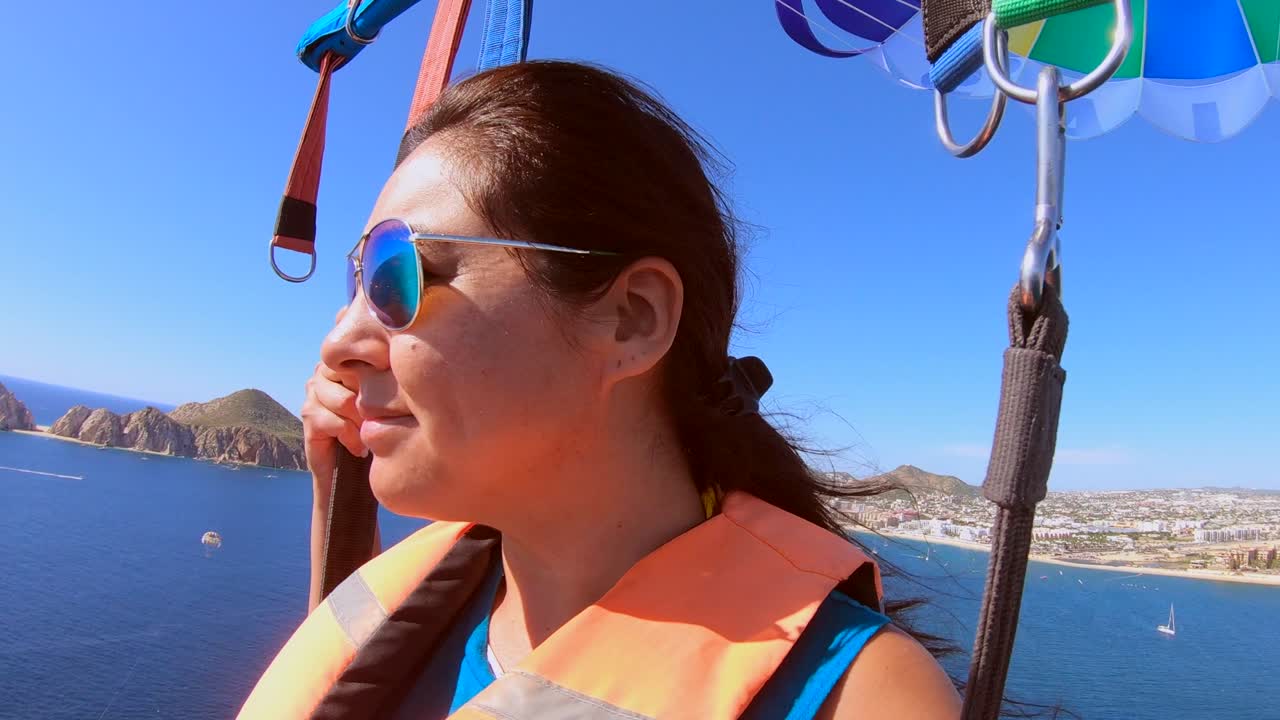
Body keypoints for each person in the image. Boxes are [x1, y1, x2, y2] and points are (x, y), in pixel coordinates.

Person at [240, 60, 960, 719]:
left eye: (401, 275)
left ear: (631, 320)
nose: (338, 343)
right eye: (358, 281)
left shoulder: (857, 699)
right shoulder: (421, 615)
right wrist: (337, 499)